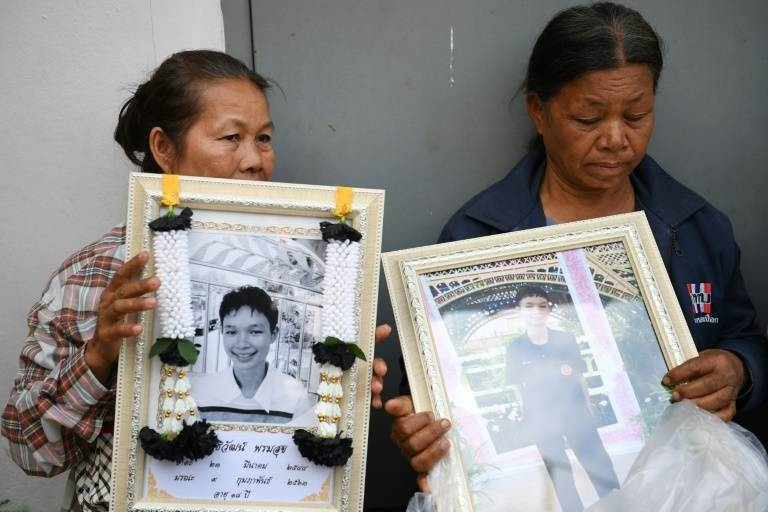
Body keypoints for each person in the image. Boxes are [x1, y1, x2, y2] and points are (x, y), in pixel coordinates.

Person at [382, 1, 768, 495]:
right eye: (588, 117)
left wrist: (739, 370)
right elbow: (431, 391)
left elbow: (745, 335)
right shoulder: (477, 236)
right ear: (539, 111)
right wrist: (420, 430)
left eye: (636, 115)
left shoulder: (696, 227)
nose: (615, 139)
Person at [1, 49, 390, 512]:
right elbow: (32, 453)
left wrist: (344, 392)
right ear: (164, 148)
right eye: (230, 137)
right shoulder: (97, 277)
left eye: (263, 138)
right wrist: (100, 354)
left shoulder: (315, 271)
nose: (254, 160)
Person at [507, 285, 619, 511]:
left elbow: (579, 376)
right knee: (559, 472)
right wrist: (528, 415)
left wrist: (587, 408)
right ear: (518, 310)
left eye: (542, 305)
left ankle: (617, 505)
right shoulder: (515, 348)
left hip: (575, 412)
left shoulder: (566, 339)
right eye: (529, 306)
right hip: (541, 418)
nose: (536, 310)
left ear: (549, 309)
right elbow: (517, 385)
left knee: (598, 463)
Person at [191, 285, 316, 424]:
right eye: (232, 332)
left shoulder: (295, 396)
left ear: (273, 334)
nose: (242, 344)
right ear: (222, 333)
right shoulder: (201, 394)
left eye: (255, 331)